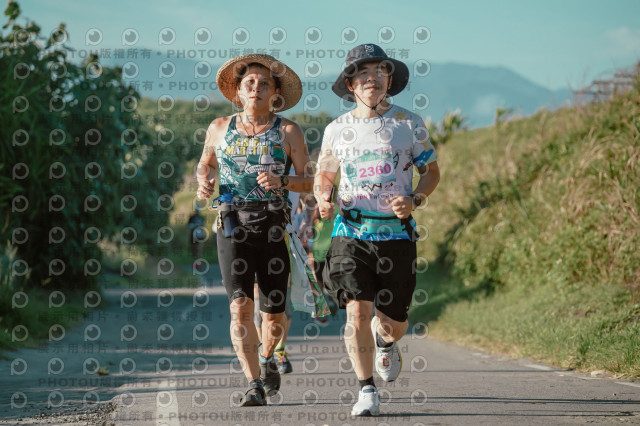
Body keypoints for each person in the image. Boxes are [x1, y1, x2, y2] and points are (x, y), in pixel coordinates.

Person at [314, 43, 440, 417]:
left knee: (393, 323)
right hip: (350, 233)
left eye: (379, 71)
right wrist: (323, 198)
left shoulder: (409, 123)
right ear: (350, 84)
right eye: (363, 73)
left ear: (389, 80)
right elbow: (324, 175)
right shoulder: (337, 129)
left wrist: (415, 199)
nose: (372, 78)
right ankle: (366, 389)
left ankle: (385, 341)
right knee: (356, 312)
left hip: (397, 236)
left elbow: (432, 172)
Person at [196, 54, 312, 406]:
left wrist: (283, 181)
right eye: (249, 83)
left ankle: (266, 356)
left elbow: (309, 182)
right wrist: (204, 180)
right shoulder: (219, 127)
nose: (256, 88)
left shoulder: (288, 131)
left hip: (274, 227)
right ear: (238, 91)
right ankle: (253, 383)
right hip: (232, 226)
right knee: (239, 306)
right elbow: (205, 164)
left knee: (273, 317)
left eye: (264, 84)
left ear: (275, 92)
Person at [187, 204, 206, 271]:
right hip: (193, 236)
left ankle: (200, 263)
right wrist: (195, 225)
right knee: (194, 250)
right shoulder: (192, 217)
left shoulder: (201, 217)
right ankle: (195, 263)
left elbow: (204, 225)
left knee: (200, 250)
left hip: (200, 236)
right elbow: (189, 226)